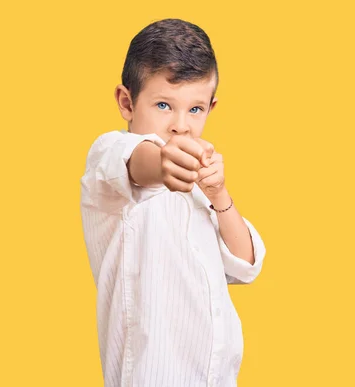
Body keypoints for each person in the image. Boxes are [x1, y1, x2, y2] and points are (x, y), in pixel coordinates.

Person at [80, 18, 266, 387]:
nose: (181, 125)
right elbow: (136, 163)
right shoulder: (109, 157)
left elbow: (245, 265)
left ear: (211, 107)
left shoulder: (200, 187)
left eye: (195, 109)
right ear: (126, 102)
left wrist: (219, 195)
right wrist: (164, 165)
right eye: (164, 104)